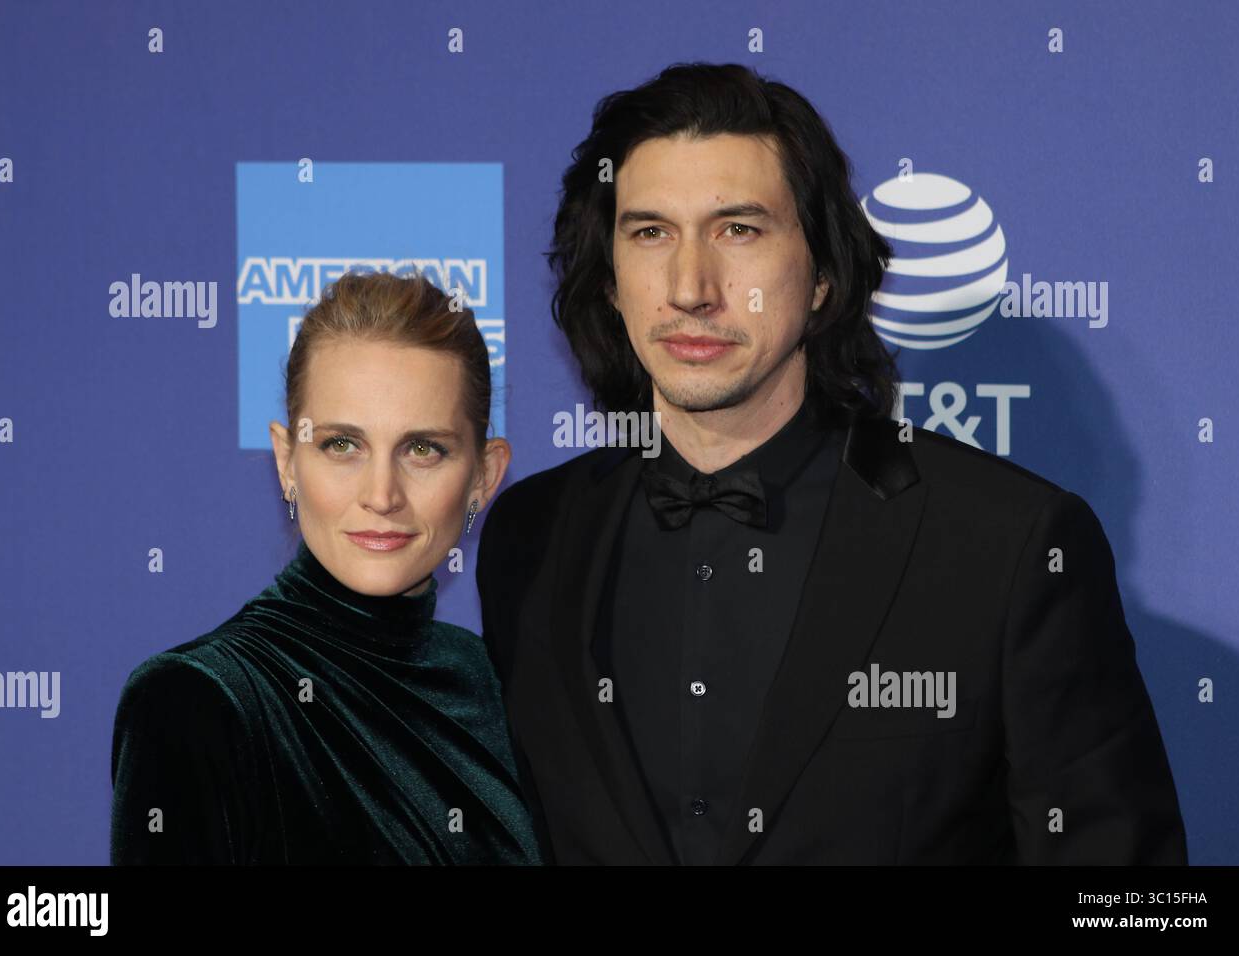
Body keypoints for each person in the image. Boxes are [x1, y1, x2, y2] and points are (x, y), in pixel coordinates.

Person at [475, 62, 1187, 865]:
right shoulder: (531, 540)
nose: (691, 287)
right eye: (650, 233)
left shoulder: (1007, 546)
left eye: (738, 229)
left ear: (821, 275)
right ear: (609, 280)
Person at [110, 270, 542, 864]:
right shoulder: (196, 702)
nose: (382, 494)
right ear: (288, 462)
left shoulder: (495, 682)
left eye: (423, 448)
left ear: (484, 476)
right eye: (342, 445)